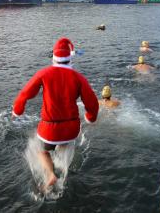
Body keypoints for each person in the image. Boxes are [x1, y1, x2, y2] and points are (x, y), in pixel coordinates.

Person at [12, 38, 99, 189]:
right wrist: (90, 117)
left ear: (54, 58)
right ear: (69, 59)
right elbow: (92, 102)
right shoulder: (79, 78)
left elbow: (25, 93)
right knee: (63, 143)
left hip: (50, 129)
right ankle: (61, 158)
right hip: (71, 129)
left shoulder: (44, 74)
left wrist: (17, 110)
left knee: (42, 151)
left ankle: (51, 174)